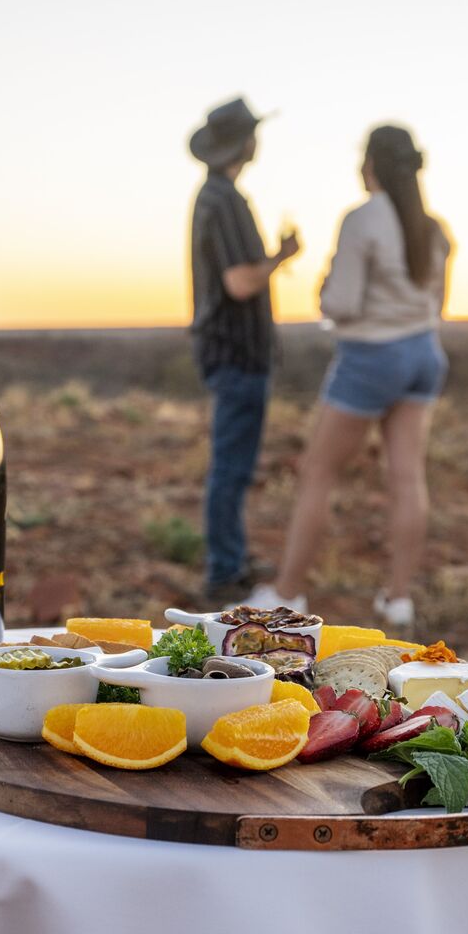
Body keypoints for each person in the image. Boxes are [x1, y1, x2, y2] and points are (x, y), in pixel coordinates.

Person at [243, 124, 450, 630]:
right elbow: (437, 304)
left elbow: (341, 302)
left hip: (371, 357)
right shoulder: (435, 227)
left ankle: (288, 592)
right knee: (407, 477)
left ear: (372, 164)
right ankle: (397, 599)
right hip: (424, 353)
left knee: (319, 472)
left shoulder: (363, 219)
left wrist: (324, 289)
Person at [187, 96, 300, 603]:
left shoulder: (217, 195)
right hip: (236, 352)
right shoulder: (224, 200)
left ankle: (230, 559)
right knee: (231, 467)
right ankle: (224, 572)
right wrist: (281, 257)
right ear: (242, 142)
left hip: (231, 351)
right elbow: (239, 282)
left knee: (232, 464)